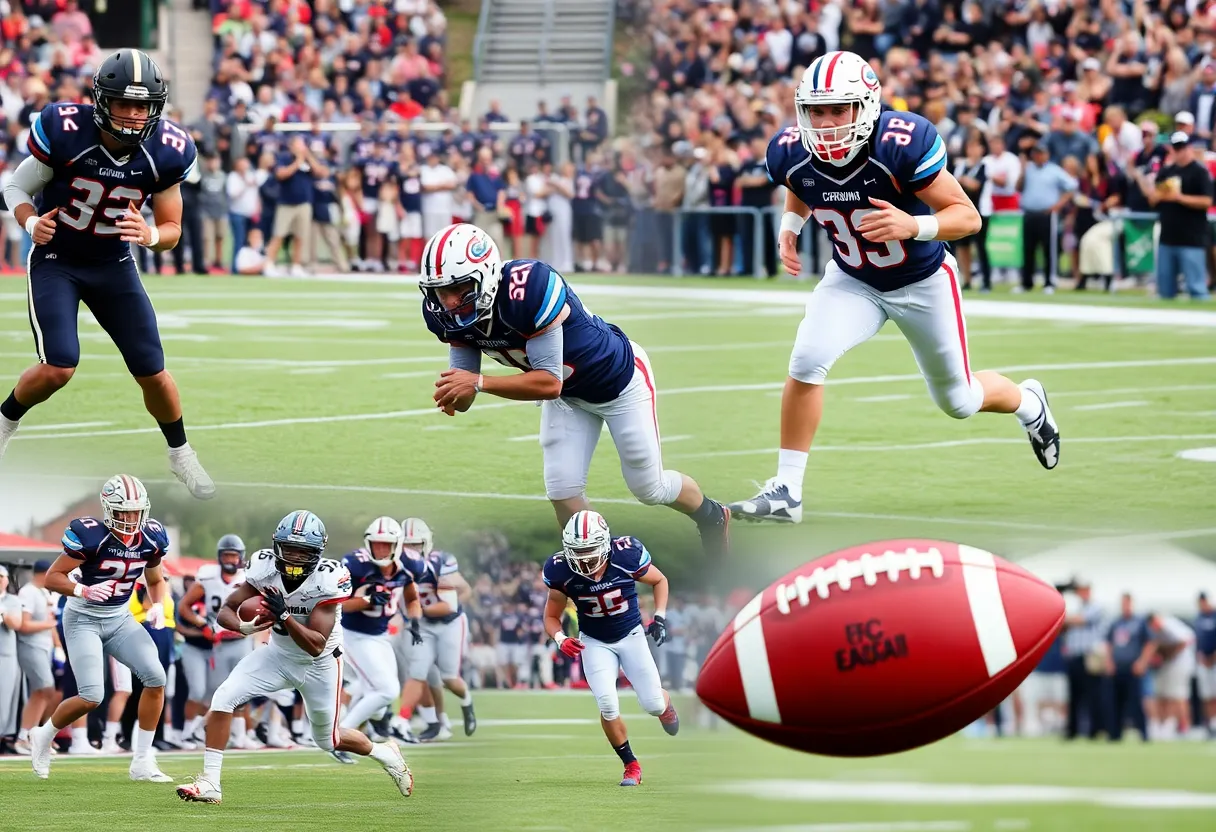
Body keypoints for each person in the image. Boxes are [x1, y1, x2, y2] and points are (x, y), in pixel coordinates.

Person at [728, 51, 1061, 524]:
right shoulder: (789, 149)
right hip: (854, 279)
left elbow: (968, 217)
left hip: (922, 281)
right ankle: (787, 490)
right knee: (806, 359)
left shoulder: (899, 144)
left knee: (960, 401)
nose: (825, 124)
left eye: (838, 109)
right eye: (816, 111)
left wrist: (914, 225)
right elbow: (800, 183)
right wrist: (791, 225)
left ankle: (1030, 403)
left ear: (866, 107)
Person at [420, 222, 730, 557]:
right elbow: (465, 395)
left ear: (487, 275)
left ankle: (712, 515)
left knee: (649, 487)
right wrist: (456, 392)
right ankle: (601, 568)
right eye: (440, 291)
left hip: (619, 381)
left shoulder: (528, 288)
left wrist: (479, 383)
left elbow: (549, 382)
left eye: (459, 288)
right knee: (562, 490)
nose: (449, 302)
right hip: (570, 397)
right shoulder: (445, 317)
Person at [0, 50, 214, 499]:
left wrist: (150, 235)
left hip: (113, 264)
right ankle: (4, 422)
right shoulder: (65, 131)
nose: (134, 115)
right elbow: (15, 185)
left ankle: (181, 454)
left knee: (153, 370)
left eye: (143, 106)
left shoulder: (167, 151)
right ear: (102, 101)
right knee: (59, 366)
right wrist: (29, 222)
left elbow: (172, 229)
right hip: (57, 259)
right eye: (124, 104)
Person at [175, 511, 412, 804]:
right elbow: (228, 608)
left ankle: (384, 752)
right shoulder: (264, 568)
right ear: (277, 546)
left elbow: (316, 645)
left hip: (320, 664)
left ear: (317, 553)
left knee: (328, 740)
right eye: (289, 549)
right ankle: (210, 782)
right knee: (223, 697)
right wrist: (243, 627)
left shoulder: (328, 578)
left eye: (304, 552)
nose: (295, 558)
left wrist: (284, 615)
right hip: (277, 655)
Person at [27, 474, 174, 783]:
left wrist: (158, 604)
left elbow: (156, 579)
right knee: (92, 695)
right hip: (84, 619)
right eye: (123, 512)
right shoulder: (92, 536)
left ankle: (142, 760)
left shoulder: (151, 538)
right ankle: (44, 734)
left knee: (156, 677)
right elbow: (53, 577)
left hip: (120, 619)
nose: (130, 519)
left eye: (135, 512)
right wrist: (83, 590)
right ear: (109, 510)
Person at [542, 510, 680, 786]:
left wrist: (660, 617)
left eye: (589, 550)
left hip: (631, 635)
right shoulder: (559, 570)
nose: (584, 559)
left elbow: (659, 580)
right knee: (607, 704)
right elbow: (550, 616)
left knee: (653, 704)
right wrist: (560, 639)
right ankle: (631, 765)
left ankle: (664, 707)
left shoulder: (625, 555)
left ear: (605, 543)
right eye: (577, 551)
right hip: (593, 641)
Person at [392, 517, 477, 743]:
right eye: (406, 545)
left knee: (448, 678)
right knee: (418, 672)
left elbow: (448, 606)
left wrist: (416, 611)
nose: (411, 550)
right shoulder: (395, 564)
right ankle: (406, 720)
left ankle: (466, 702)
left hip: (449, 623)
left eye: (415, 544)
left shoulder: (440, 562)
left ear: (426, 543)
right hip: (421, 625)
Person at [336, 517, 412, 762]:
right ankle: (339, 737)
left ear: (397, 545)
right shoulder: (354, 565)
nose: (380, 549)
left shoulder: (409, 566)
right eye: (376, 543)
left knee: (379, 699)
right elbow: (338, 605)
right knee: (387, 690)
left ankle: (373, 723)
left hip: (380, 636)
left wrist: (414, 619)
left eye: (385, 544)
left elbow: (411, 596)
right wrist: (367, 600)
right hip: (354, 635)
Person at [177, 534, 256, 749]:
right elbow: (184, 606)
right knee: (217, 694)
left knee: (244, 689)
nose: (230, 560)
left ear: (241, 557)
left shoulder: (249, 578)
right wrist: (202, 624)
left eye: (234, 556)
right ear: (219, 557)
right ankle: (195, 733)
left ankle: (240, 735)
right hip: (219, 643)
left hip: (241, 639)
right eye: (226, 555)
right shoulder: (208, 577)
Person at [14, 560, 59, 755]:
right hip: (30, 646)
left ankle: (29, 736)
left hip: (45, 647)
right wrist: (49, 624)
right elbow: (24, 625)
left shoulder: (43, 592)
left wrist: (58, 646)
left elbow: (50, 621)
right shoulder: (28, 592)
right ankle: (24, 737)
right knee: (45, 689)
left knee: (41, 692)